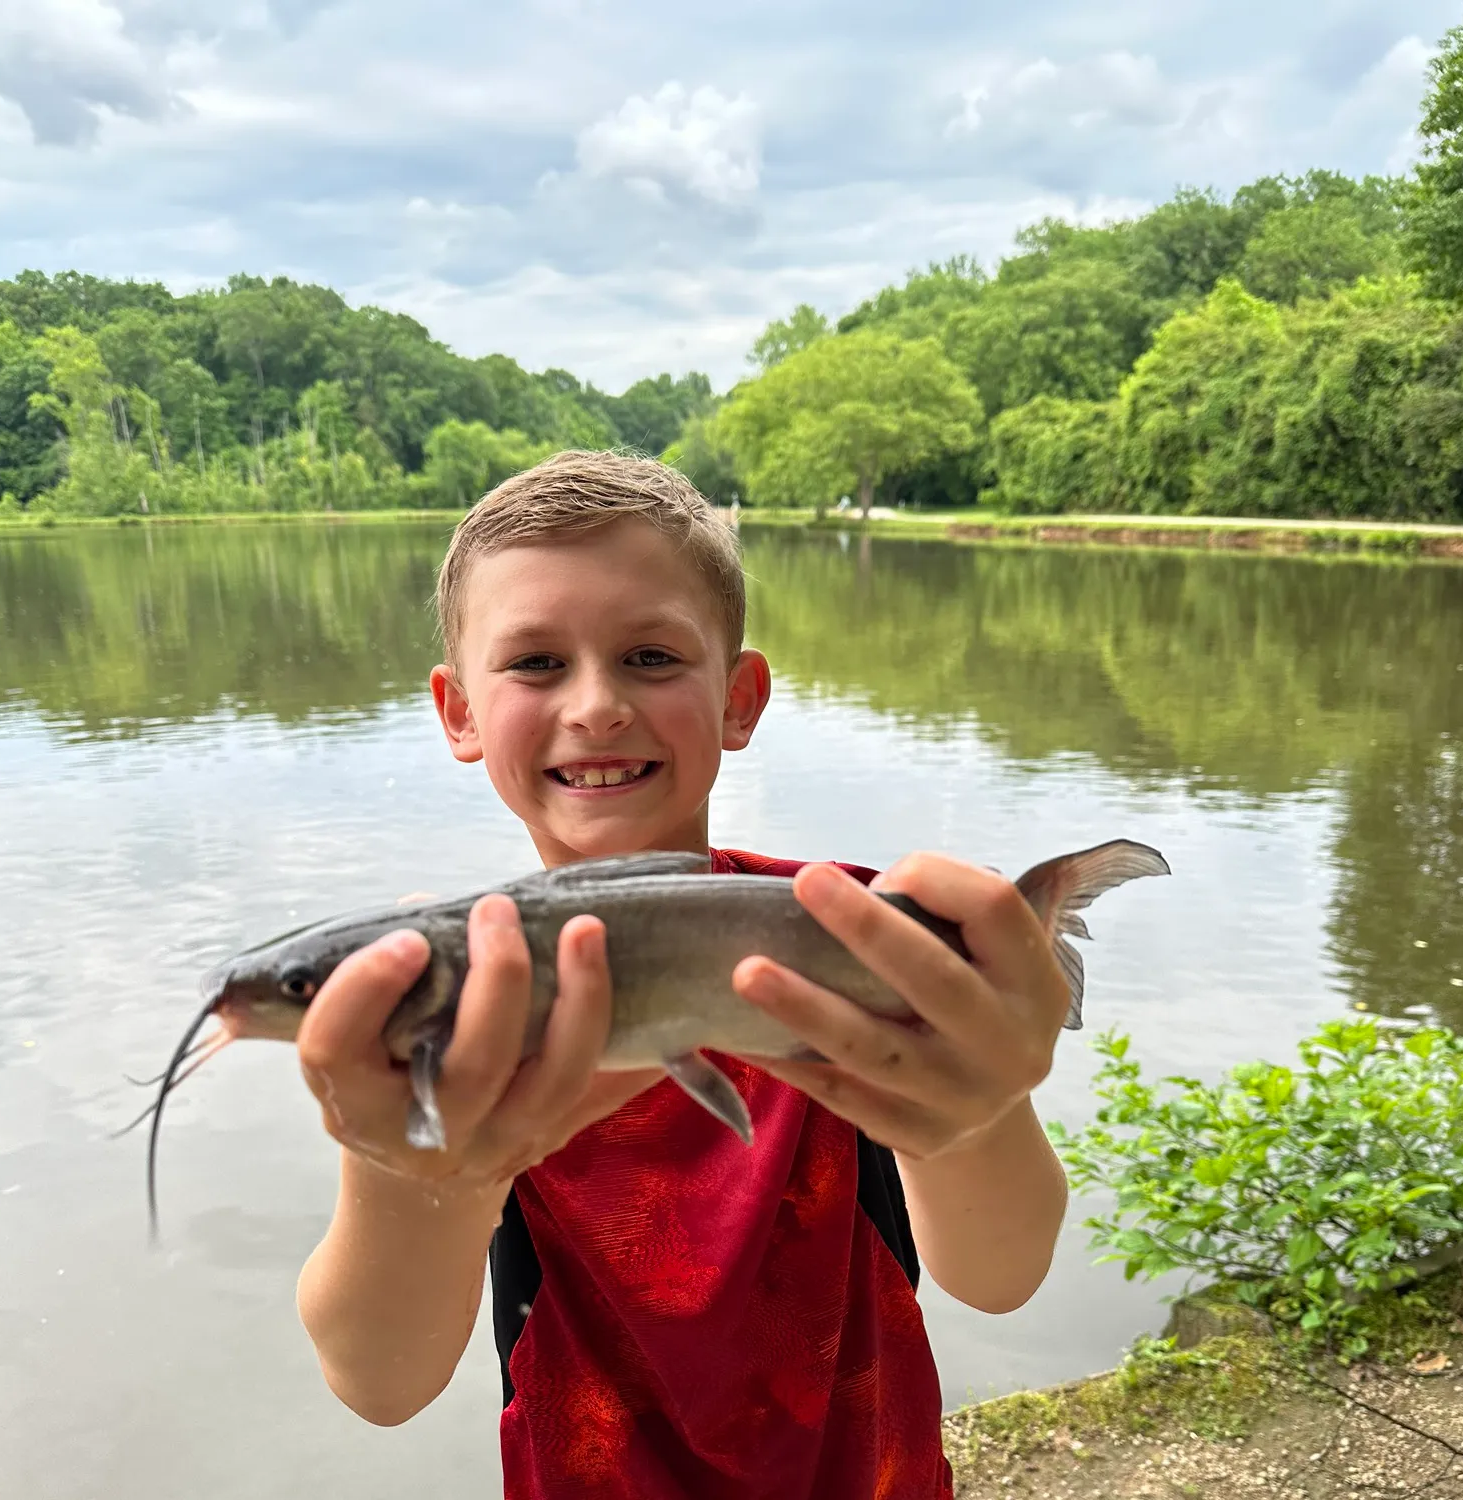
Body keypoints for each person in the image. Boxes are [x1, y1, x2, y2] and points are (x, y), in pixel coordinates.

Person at [292, 451, 1071, 1499]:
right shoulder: (459, 1006)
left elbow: (1001, 1274)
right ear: (459, 712)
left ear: (739, 698)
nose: (597, 705)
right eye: (534, 664)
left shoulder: (856, 931)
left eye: (651, 656)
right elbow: (379, 1382)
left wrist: (977, 1110)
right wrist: (419, 1165)